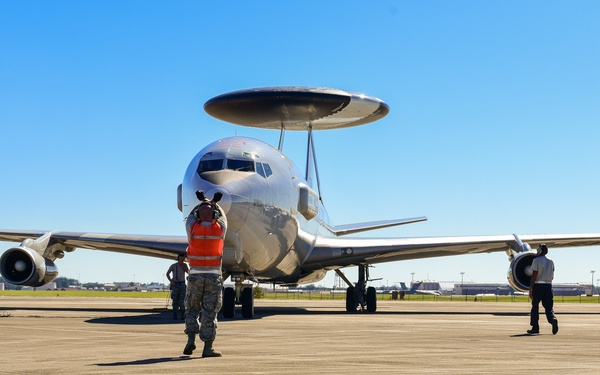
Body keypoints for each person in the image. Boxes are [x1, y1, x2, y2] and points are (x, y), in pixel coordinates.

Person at [183, 190, 227, 357]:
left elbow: (191, 216)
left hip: (195, 276)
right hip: (214, 276)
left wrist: (202, 201)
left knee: (191, 308)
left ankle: (191, 340)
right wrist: (214, 202)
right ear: (215, 214)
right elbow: (222, 215)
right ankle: (207, 349)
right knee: (210, 311)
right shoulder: (220, 229)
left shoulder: (192, 228)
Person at [528, 244, 559, 335]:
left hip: (538, 286)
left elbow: (534, 274)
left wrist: (531, 288)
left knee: (535, 307)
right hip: (548, 286)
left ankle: (535, 327)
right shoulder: (551, 261)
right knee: (549, 307)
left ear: (540, 251)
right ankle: (552, 319)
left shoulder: (536, 260)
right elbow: (552, 275)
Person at [166, 253, 189, 320]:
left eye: (183, 259)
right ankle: (175, 314)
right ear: (178, 258)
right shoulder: (174, 266)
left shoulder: (184, 265)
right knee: (175, 300)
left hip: (182, 285)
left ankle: (182, 315)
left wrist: (186, 269)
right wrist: (171, 281)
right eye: (181, 259)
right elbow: (167, 273)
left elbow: (189, 273)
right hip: (175, 285)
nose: (182, 260)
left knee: (183, 301)